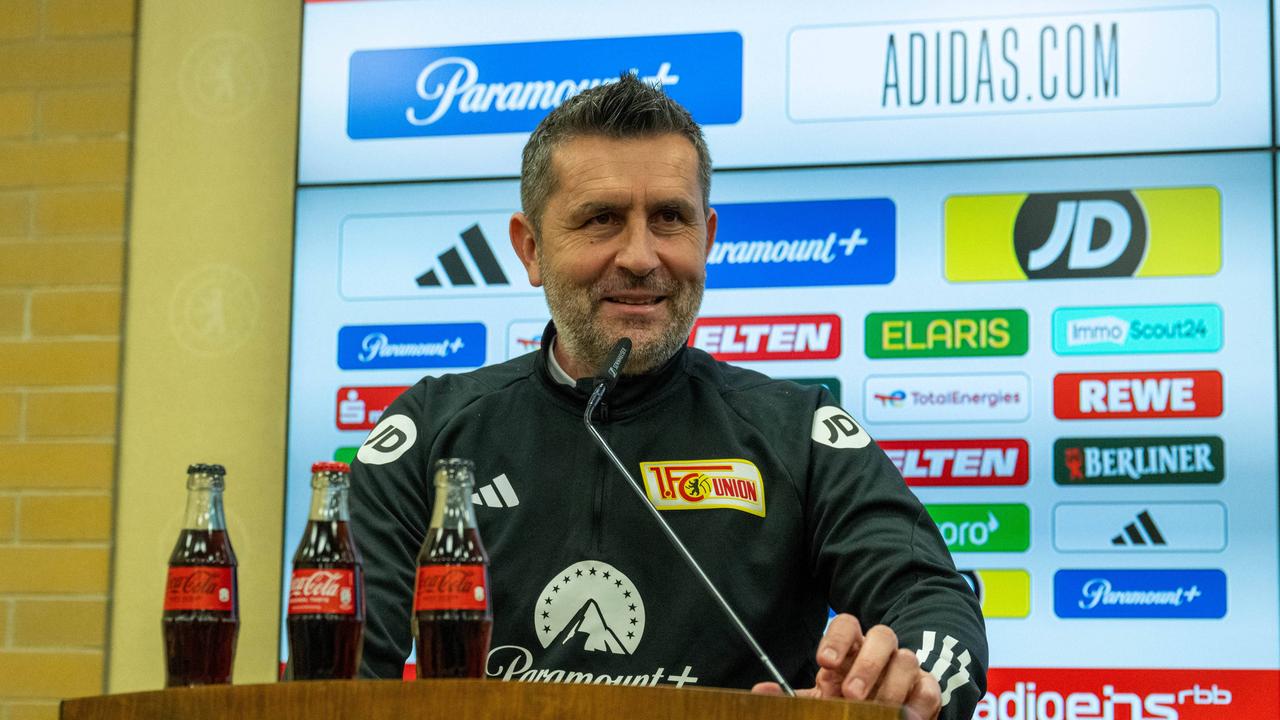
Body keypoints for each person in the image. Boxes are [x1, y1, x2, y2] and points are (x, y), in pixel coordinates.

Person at [351, 74, 987, 720]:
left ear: (706, 236)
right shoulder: (431, 429)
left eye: (669, 219)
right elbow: (340, 674)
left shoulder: (800, 430)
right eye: (601, 220)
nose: (639, 255)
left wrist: (901, 684)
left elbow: (930, 601)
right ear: (531, 248)